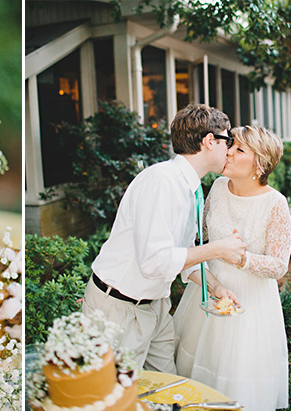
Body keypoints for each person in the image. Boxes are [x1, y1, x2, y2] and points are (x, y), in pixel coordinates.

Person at [81, 104, 246, 374]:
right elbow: (155, 261)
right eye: (227, 140)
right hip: (118, 310)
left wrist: (216, 288)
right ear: (208, 141)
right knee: (113, 397)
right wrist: (217, 249)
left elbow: (182, 254)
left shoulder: (191, 187)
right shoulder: (161, 182)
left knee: (168, 389)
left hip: (156, 307)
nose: (229, 149)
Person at [174, 125, 291, 410]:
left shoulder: (276, 204)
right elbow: (201, 238)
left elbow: (278, 266)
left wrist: (240, 258)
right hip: (208, 294)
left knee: (237, 379)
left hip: (250, 306)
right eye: (231, 146)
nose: (228, 152)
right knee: (194, 373)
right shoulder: (216, 187)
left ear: (260, 163)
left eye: (239, 150)